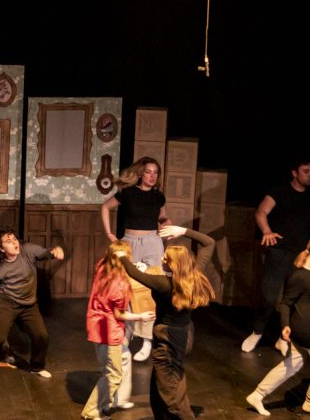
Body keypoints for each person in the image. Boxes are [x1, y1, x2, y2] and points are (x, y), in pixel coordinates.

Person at [241, 158, 310, 354]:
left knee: (293, 301)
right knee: (268, 297)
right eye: (306, 171)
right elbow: (261, 212)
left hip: (301, 256)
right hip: (278, 252)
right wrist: (267, 231)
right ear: (294, 173)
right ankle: (257, 332)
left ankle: (283, 338)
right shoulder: (279, 192)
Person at [114, 225, 215, 420]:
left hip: (167, 339)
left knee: (171, 395)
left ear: (174, 265)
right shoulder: (194, 276)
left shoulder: (164, 284)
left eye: (166, 259)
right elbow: (209, 243)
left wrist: (121, 257)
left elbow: (135, 274)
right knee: (162, 387)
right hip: (184, 334)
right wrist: (183, 231)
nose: (162, 260)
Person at [245, 235, 310, 416]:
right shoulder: (300, 276)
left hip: (306, 326)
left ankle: (257, 395)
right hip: (309, 328)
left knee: (293, 363)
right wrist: (284, 326)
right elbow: (286, 303)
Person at [0, 229, 64, 382]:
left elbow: (45, 254)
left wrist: (55, 251)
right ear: (2, 249)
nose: (14, 242)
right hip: (5, 304)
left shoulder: (27, 250)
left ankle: (37, 367)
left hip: (28, 305)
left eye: (14, 239)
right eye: (9, 241)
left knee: (41, 336)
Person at [101, 156, 167, 361]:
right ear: (140, 173)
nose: (152, 176)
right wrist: (110, 235)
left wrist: (166, 222)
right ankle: (128, 331)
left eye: (156, 172)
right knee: (125, 288)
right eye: (148, 171)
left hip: (152, 244)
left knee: (148, 290)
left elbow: (162, 217)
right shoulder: (127, 193)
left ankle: (147, 340)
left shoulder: (158, 196)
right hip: (129, 243)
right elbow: (104, 207)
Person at [81, 241, 155, 420]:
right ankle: (91, 412)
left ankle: (115, 400)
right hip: (109, 331)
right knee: (113, 374)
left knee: (122, 360)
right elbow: (119, 313)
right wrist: (141, 316)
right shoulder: (119, 285)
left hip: (96, 325)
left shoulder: (102, 266)